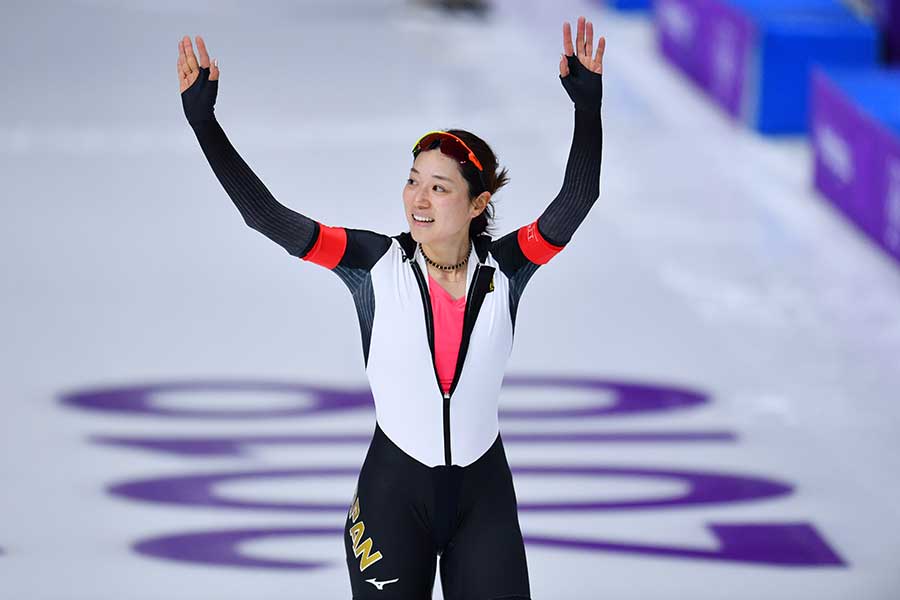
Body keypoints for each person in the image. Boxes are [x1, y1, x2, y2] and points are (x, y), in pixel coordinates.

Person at [178, 15, 604, 600]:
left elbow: (578, 198)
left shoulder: (509, 266)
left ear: (478, 203)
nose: (418, 199)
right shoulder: (372, 263)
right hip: (392, 499)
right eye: (412, 181)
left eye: (439, 187)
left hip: (484, 501)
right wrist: (205, 124)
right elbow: (267, 217)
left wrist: (588, 107)